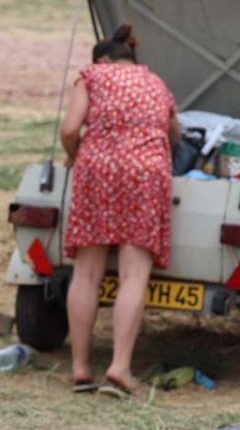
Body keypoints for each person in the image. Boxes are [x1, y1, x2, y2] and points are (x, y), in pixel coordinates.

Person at [60, 24, 181, 397]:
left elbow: (69, 128)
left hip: (97, 172)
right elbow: (174, 135)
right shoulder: (157, 83)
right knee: (133, 277)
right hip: (146, 174)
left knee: (86, 274)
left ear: (103, 60)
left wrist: (76, 156)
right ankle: (120, 368)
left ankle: (81, 368)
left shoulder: (91, 76)